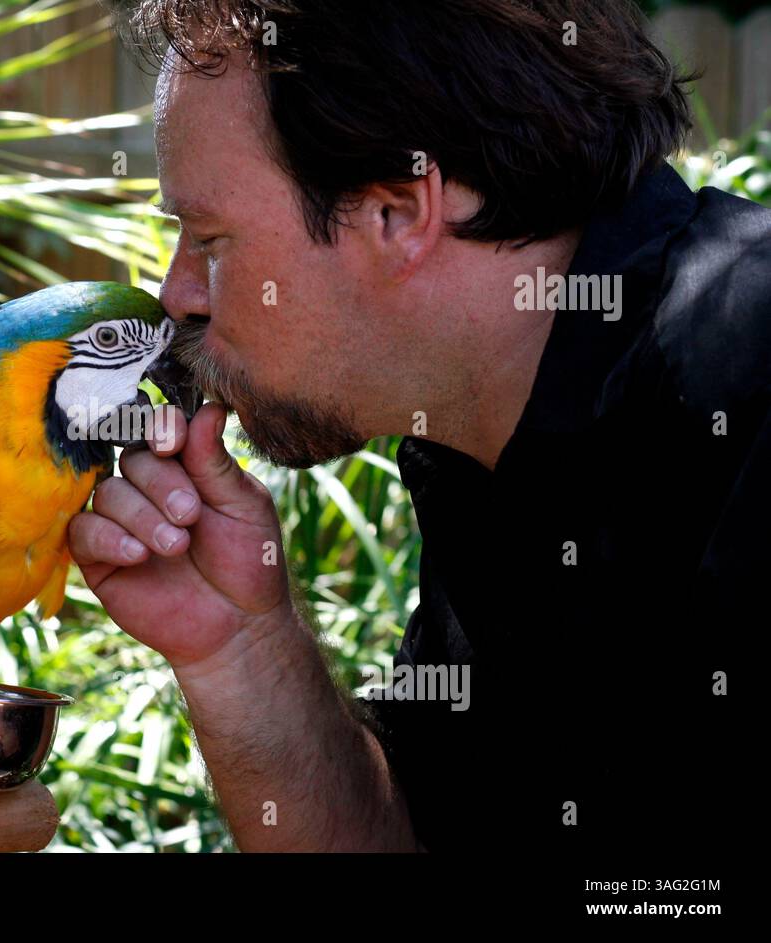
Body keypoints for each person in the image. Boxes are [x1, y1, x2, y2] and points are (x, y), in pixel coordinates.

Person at [67, 0, 763, 851]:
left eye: (209, 239)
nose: (177, 295)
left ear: (398, 212)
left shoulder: (747, 385)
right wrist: (243, 649)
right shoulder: (478, 442)